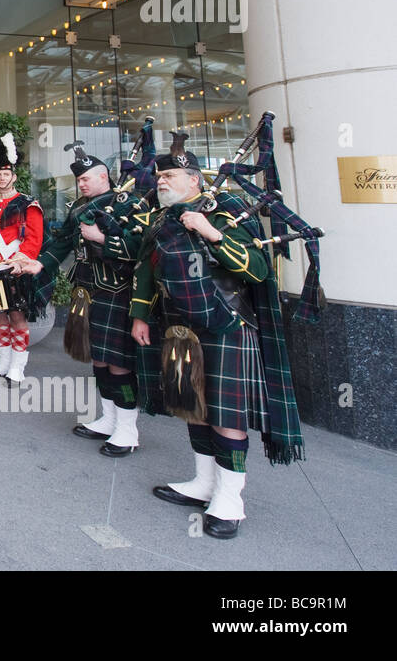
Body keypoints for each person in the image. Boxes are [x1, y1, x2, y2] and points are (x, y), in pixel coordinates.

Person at [128, 134, 302, 539]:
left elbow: (258, 268)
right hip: (179, 327)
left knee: (226, 415)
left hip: (226, 326)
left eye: (170, 175)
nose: (162, 182)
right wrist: (139, 315)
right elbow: (146, 272)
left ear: (195, 180)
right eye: (159, 177)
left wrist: (212, 233)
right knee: (193, 406)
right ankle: (203, 483)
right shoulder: (161, 221)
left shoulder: (225, 212)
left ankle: (230, 499)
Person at [21, 145, 150, 455]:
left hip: (117, 290)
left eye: (86, 179)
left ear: (104, 176)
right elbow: (64, 240)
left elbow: (141, 248)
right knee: (99, 358)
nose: (81, 184)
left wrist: (102, 238)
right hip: (87, 288)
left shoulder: (129, 204)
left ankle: (128, 429)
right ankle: (108, 418)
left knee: (119, 363)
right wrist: (41, 264)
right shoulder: (80, 206)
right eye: (79, 181)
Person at [0, 133, 43, 383]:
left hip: (14, 266)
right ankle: (3, 361)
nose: (2, 178)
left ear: (14, 176)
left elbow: (33, 239)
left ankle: (18, 365)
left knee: (16, 315)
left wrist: (19, 262)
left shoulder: (27, 203)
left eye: (6, 174)